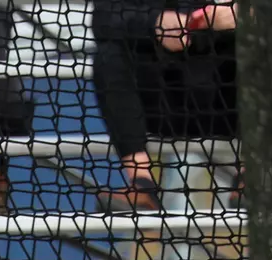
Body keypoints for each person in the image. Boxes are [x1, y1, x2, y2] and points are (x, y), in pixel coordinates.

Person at [92, 1, 238, 212]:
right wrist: (156, 23)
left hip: (224, 101)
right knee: (108, 55)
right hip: (159, 103)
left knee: (265, 43)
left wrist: (244, 16)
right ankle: (142, 184)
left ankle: (250, 180)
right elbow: (104, 20)